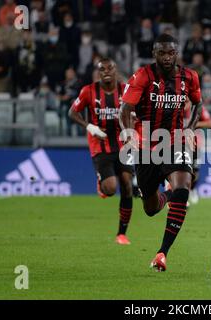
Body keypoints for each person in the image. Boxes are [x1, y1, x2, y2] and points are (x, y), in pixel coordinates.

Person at [119, 34, 202, 271]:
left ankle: (162, 253)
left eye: (171, 53)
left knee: (183, 187)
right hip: (146, 147)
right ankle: (165, 195)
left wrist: (190, 128)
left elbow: (198, 103)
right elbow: (125, 109)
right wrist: (127, 133)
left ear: (176, 53)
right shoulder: (142, 76)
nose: (167, 57)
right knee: (151, 208)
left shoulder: (189, 77)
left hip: (174, 141)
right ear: (154, 54)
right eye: (162, 53)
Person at [68, 58, 134, 246]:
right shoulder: (89, 91)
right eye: (102, 69)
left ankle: (122, 234)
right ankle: (102, 183)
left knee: (127, 185)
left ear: (116, 71)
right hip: (100, 145)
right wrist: (89, 126)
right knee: (111, 189)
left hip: (122, 145)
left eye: (109, 68)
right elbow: (72, 112)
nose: (106, 71)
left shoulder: (126, 90)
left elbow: (138, 110)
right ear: (98, 72)